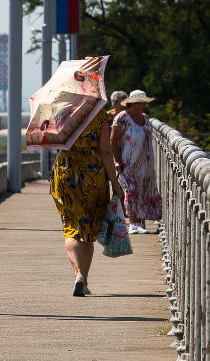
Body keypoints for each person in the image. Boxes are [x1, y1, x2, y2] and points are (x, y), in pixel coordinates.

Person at [50, 106, 123, 297]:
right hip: (93, 175)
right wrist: (115, 183)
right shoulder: (99, 114)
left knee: (71, 227)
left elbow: (53, 142)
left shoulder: (60, 113)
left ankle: (78, 274)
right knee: (89, 228)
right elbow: (105, 152)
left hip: (66, 172)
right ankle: (85, 279)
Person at [111, 89, 161, 234]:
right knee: (131, 190)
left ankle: (139, 224)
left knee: (142, 192)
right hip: (126, 162)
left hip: (144, 164)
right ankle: (133, 224)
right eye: (141, 103)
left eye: (144, 103)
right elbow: (113, 141)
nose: (144, 105)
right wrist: (116, 161)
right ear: (133, 103)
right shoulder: (122, 118)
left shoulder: (145, 118)